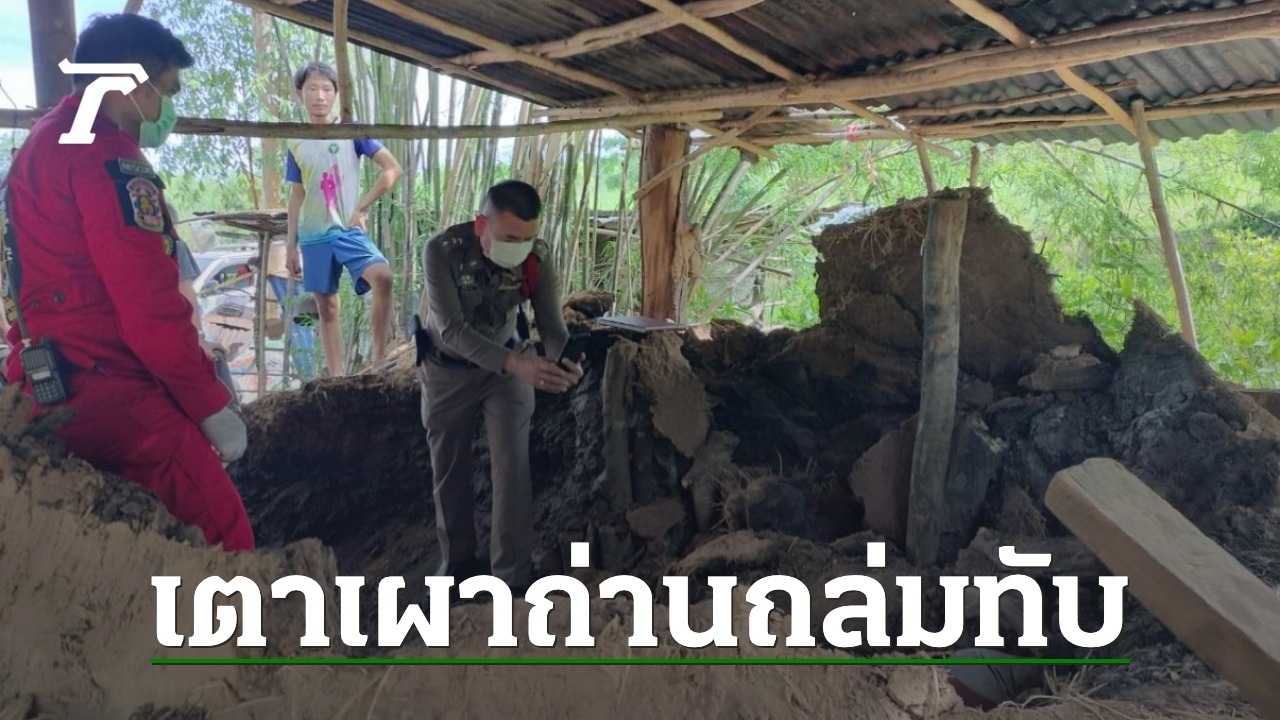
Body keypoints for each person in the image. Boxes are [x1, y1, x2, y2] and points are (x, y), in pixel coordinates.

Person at [0, 13, 253, 551]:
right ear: (134, 83)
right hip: (110, 389)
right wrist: (208, 404)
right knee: (226, 538)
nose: (167, 110)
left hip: (43, 382)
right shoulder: (104, 155)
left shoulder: (40, 146)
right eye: (167, 90)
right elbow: (148, 308)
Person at [415, 180, 583, 594]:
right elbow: (451, 330)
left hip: (508, 368)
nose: (519, 248)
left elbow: (551, 326)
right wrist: (517, 364)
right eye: (509, 238)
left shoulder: (537, 258)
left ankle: (511, 576)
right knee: (449, 466)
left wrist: (566, 359)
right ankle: (457, 562)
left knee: (512, 469)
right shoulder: (443, 252)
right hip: (448, 369)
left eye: (527, 238)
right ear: (481, 224)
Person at [284, 61, 401, 377]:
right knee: (327, 307)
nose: (319, 96)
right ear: (300, 93)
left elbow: (392, 169)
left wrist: (361, 207)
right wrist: (290, 245)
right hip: (312, 234)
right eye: (312, 89)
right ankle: (337, 379)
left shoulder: (352, 130)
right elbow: (296, 194)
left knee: (383, 277)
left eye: (326, 89)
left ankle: (378, 359)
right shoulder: (294, 140)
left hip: (347, 229)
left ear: (337, 94)